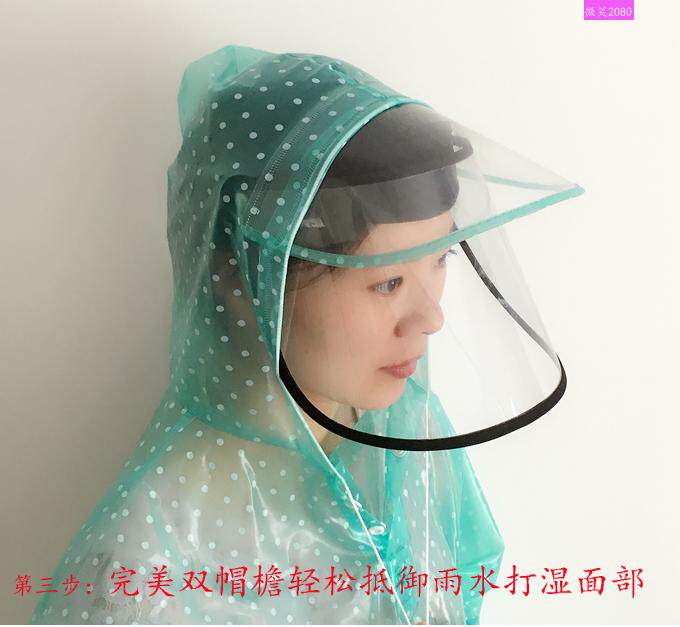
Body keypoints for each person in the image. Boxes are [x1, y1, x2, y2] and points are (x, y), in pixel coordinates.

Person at [31, 43, 583, 625]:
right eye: (387, 282)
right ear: (240, 276)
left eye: (440, 259)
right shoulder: (144, 566)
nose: (430, 318)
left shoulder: (400, 434)